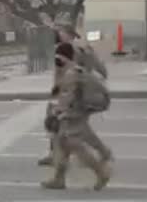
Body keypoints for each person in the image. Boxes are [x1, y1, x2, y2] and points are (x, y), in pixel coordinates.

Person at [38, 23, 112, 167]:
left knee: (68, 128)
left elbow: (93, 67)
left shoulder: (77, 49)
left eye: (61, 32)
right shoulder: (67, 48)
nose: (58, 34)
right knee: (74, 128)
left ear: (68, 33)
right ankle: (57, 157)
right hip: (68, 92)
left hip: (75, 94)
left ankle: (98, 161)